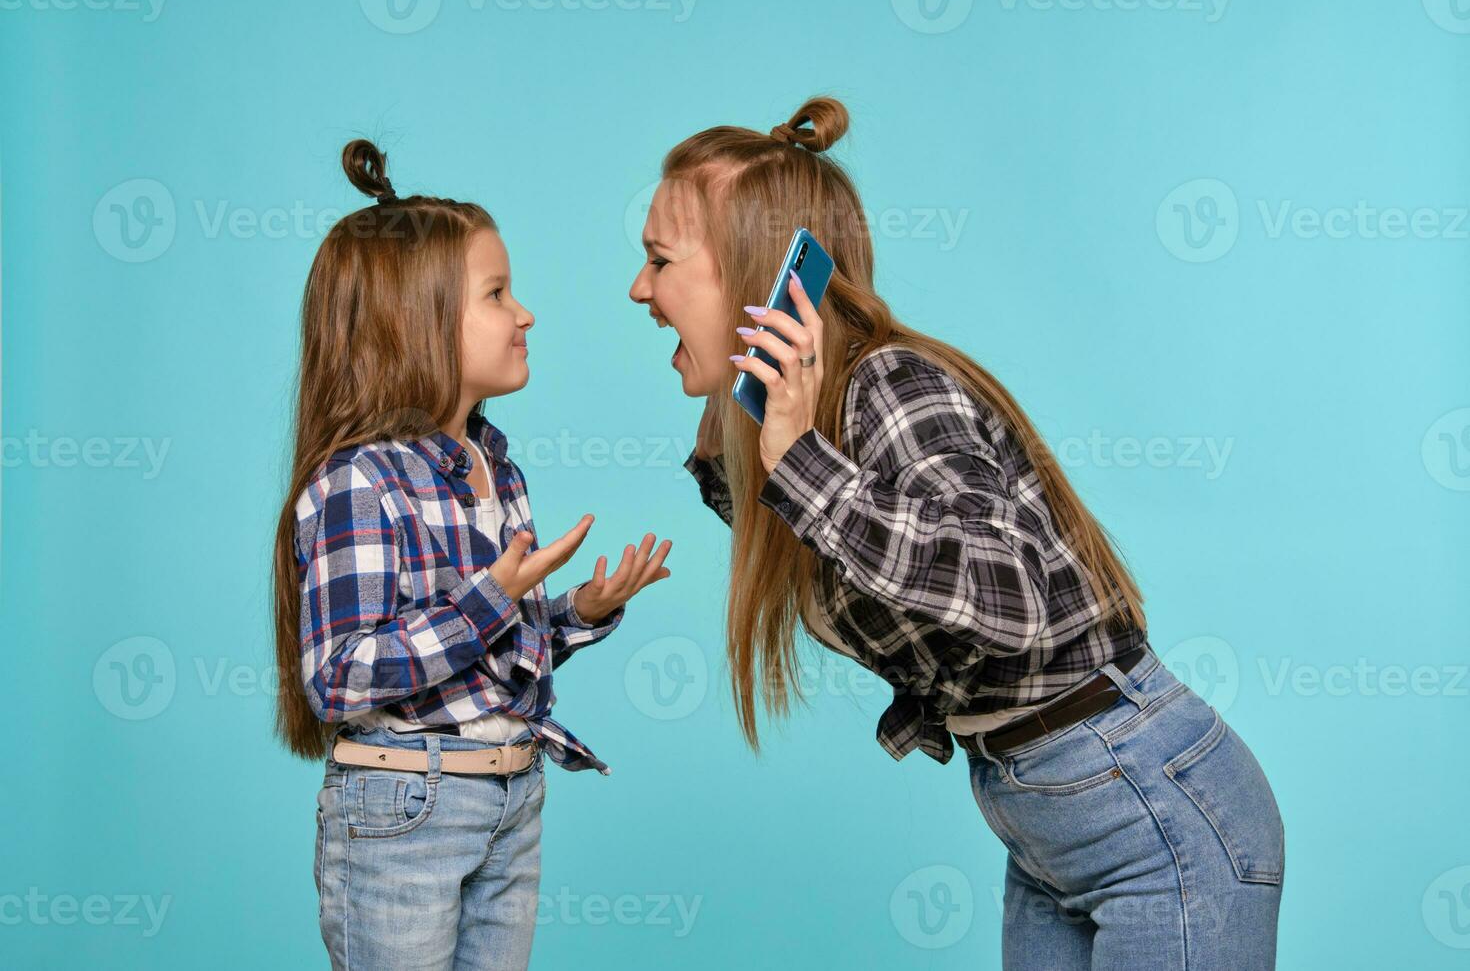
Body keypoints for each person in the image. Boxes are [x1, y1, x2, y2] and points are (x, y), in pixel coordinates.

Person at [628, 96, 1284, 969]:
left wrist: (797, 460)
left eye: (659, 262)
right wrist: (756, 429)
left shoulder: (892, 389)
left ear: (750, 276)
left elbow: (1011, 597)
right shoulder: (803, 433)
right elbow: (845, 557)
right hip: (1051, 825)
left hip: (1157, 821)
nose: (639, 289)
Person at [271, 139, 672, 970]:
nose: (524, 313)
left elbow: (480, 658)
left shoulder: (495, 464)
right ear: (413, 324)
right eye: (497, 295)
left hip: (508, 793)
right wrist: (492, 597)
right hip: (406, 805)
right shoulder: (360, 482)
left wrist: (578, 614)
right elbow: (339, 675)